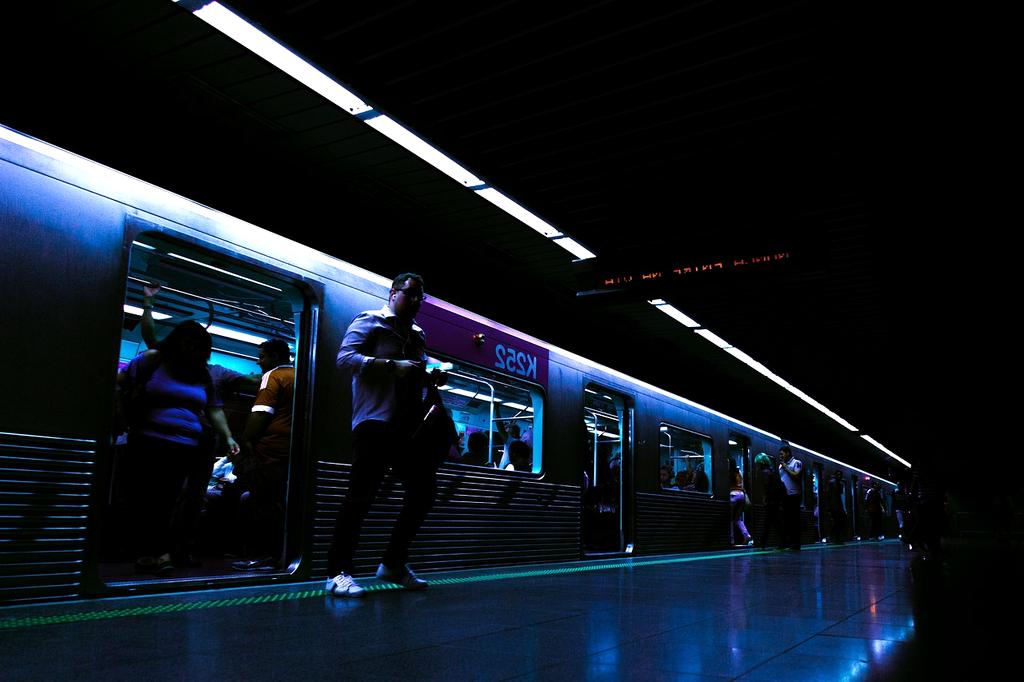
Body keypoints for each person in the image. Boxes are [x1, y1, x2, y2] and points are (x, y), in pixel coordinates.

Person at [325, 273, 438, 598]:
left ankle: (393, 562)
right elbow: (344, 358)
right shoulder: (370, 320)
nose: (415, 301)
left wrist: (431, 372)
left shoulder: (417, 334)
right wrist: (390, 365)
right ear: (393, 293)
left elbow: (418, 368)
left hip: (406, 426)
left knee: (424, 491)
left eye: (420, 297)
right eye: (410, 294)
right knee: (360, 497)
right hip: (374, 420)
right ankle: (336, 573)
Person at [115, 320, 239, 573]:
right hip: (148, 438)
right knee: (144, 496)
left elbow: (214, 409)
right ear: (177, 341)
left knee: (168, 499)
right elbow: (120, 383)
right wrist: (120, 418)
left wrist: (228, 436)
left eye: (198, 345)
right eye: (188, 342)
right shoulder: (153, 360)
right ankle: (149, 551)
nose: (192, 348)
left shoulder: (201, 374)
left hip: (184, 446)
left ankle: (158, 552)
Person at [230, 339, 294, 571]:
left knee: (262, 502)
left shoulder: (273, 376)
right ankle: (279, 555)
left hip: (269, 451)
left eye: (262, 356)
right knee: (280, 504)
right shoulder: (300, 377)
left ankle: (262, 556)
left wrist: (246, 440)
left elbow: (261, 413)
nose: (259, 362)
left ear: (275, 357)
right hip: (289, 451)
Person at [754, 452, 784, 549]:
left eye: (758, 463)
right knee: (776, 523)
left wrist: (765, 499)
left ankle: (762, 543)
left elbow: (767, 487)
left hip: (771, 501)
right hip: (775, 501)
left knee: (768, 523)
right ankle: (780, 543)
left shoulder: (765, 472)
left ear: (761, 463)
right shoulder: (772, 471)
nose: (757, 465)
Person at [778, 444, 803, 550]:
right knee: (786, 520)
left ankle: (796, 544)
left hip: (794, 495)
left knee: (794, 520)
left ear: (788, 453)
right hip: (785, 496)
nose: (780, 456)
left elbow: (797, 476)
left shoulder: (796, 463)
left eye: (782, 454)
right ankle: (787, 543)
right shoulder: (780, 466)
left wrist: (786, 467)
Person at [730, 463, 752, 546]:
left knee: (730, 518)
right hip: (741, 495)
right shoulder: (739, 473)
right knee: (737, 518)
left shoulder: (730, 473)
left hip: (733, 494)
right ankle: (746, 535)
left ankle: (731, 540)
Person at [826, 470, 847, 544]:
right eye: (838, 475)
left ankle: (836, 538)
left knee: (838, 522)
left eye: (840, 475)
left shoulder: (839, 483)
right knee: (836, 522)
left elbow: (841, 496)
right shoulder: (832, 483)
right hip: (835, 506)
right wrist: (829, 508)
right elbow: (829, 495)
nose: (839, 476)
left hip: (837, 505)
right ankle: (834, 538)